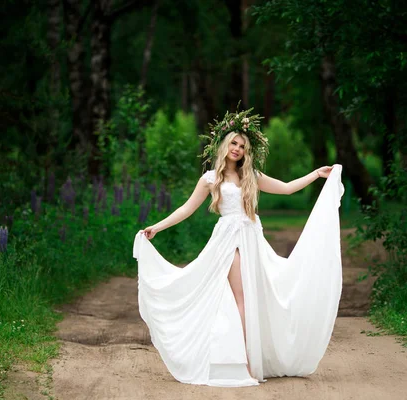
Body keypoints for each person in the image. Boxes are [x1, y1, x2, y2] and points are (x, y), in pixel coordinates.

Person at [133, 107, 345, 387]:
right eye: (233, 143)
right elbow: (187, 208)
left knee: (257, 295)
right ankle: (243, 362)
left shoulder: (251, 175)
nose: (237, 149)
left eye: (242, 146)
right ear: (224, 145)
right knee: (241, 296)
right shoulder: (210, 179)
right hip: (229, 240)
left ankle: (249, 358)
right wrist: (157, 227)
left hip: (252, 238)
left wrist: (316, 174)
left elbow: (286, 187)